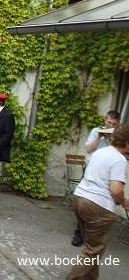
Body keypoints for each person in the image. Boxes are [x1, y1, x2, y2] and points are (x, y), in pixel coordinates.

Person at [66, 124, 129, 280]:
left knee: (92, 247)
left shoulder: (100, 152)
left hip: (80, 198)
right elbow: (116, 190)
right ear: (127, 143)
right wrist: (124, 201)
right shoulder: (120, 160)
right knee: (93, 250)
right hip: (99, 206)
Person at [71, 110, 120, 246]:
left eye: (114, 124)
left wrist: (111, 139)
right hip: (92, 169)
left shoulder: (118, 137)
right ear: (105, 121)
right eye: (109, 122)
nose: (110, 125)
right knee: (84, 199)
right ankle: (79, 233)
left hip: (108, 172)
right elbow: (89, 149)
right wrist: (99, 137)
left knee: (103, 201)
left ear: (118, 124)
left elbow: (116, 152)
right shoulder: (96, 131)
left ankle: (95, 233)